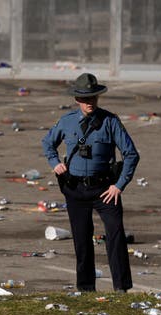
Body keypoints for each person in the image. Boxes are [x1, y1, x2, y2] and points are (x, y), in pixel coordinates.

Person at [41, 73, 140, 293]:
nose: (90, 103)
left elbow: (131, 154)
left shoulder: (110, 121)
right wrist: (54, 163)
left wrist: (119, 185)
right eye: (85, 99)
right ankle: (86, 288)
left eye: (93, 98)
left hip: (105, 189)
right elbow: (48, 143)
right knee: (82, 239)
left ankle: (121, 287)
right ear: (77, 99)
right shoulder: (66, 122)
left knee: (115, 234)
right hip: (75, 189)